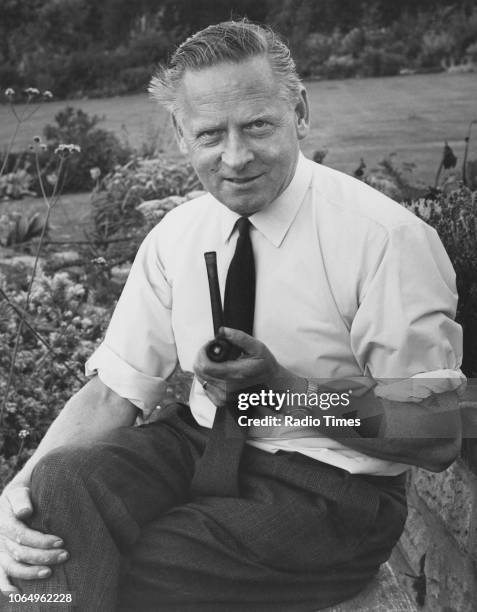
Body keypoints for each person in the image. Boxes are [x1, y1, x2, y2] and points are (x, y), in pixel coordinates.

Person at [0, 20, 465, 612]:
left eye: (257, 126)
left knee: (120, 568)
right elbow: (114, 392)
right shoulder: (176, 237)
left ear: (299, 110)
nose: (236, 157)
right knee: (56, 492)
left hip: (329, 491)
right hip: (198, 447)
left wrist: (283, 394)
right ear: (179, 133)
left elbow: (434, 433)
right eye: (211, 134)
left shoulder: (387, 240)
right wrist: (14, 495)